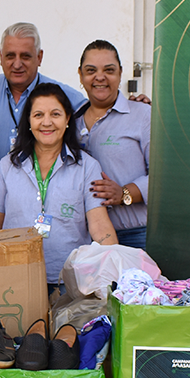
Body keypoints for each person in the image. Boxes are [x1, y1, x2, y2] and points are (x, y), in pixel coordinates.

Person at [0, 83, 117, 289]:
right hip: (15, 280)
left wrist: (116, 273)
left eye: (55, 114)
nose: (47, 123)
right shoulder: (8, 165)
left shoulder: (86, 167)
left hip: (70, 283)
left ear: (67, 119)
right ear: (28, 121)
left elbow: (99, 226)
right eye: (38, 115)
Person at [0, 22, 87, 172]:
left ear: (39, 57)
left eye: (25, 56)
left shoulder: (67, 97)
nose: (17, 64)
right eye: (10, 56)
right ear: (0, 56)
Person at [76, 40, 153, 248]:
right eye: (91, 70)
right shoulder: (70, 122)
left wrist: (125, 194)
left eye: (109, 70)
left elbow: (164, 177)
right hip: (87, 240)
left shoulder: (142, 114)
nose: (99, 77)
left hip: (136, 236)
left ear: (120, 73)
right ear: (80, 75)